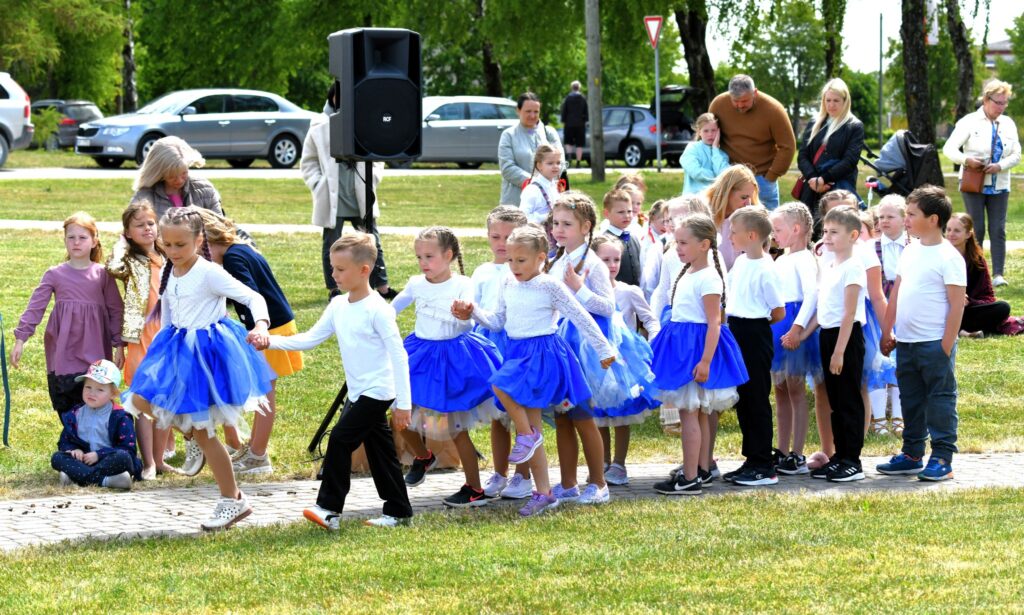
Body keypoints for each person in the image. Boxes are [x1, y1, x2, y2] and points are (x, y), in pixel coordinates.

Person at [124, 207, 275, 531]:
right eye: (167, 244)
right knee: (138, 401)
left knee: (206, 434)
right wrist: (161, 356)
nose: (173, 251)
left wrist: (261, 325)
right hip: (176, 351)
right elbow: (167, 311)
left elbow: (252, 298)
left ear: (198, 240)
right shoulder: (170, 268)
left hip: (206, 357)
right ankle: (192, 435)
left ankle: (232, 500)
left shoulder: (209, 272)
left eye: (181, 244)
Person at [453, 225, 615, 517]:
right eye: (511, 260)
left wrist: (604, 350)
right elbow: (497, 321)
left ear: (541, 258)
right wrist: (473, 311)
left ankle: (527, 436)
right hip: (517, 351)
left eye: (521, 260)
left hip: (543, 353)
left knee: (500, 385)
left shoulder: (549, 286)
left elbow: (580, 316)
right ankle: (544, 492)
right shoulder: (508, 282)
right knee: (533, 425)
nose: (514, 266)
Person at [264, 232, 414, 529]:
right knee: (381, 452)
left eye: (340, 269)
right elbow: (309, 339)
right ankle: (398, 511)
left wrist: (403, 403)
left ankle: (329, 508)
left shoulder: (379, 311)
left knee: (340, 438)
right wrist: (268, 342)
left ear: (364, 270)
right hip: (359, 392)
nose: (334, 275)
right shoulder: (338, 306)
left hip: (378, 391)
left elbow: (400, 357)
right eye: (332, 268)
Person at [547, 192, 658, 497]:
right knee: (563, 413)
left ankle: (599, 482)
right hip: (563, 338)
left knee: (583, 414)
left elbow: (608, 307)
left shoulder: (593, 264)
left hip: (589, 343)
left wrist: (579, 289)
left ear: (586, 227)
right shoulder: (558, 259)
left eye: (567, 224)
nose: (558, 229)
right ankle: (569, 481)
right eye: (556, 223)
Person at [390, 227, 503, 508]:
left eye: (429, 256)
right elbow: (392, 308)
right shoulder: (417, 283)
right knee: (398, 411)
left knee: (455, 427)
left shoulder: (462, 283)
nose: (423, 262)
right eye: (419, 257)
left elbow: (464, 322)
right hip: (420, 354)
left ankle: (474, 488)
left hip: (453, 358)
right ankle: (423, 456)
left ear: (448, 255)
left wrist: (462, 314)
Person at [199, 209, 304, 476]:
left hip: (269, 330)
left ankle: (258, 456)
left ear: (208, 241)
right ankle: (256, 451)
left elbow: (249, 294)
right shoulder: (241, 248)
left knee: (264, 394)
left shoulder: (233, 258)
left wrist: (253, 327)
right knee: (263, 391)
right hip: (277, 323)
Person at [650, 214, 748, 496]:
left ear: (704, 244)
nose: (677, 248)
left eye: (683, 243)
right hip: (681, 347)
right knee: (695, 413)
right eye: (675, 242)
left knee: (690, 413)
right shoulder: (689, 272)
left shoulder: (708, 278)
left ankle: (690, 476)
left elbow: (714, 322)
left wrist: (705, 361)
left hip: (694, 350)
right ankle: (699, 469)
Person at [878, 186, 966, 481]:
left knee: (940, 400)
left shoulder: (949, 257)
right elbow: (897, 294)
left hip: (934, 344)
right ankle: (912, 454)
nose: (906, 219)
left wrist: (946, 344)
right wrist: (887, 331)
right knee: (911, 400)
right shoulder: (910, 249)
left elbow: (956, 305)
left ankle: (942, 458)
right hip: (906, 342)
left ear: (933, 219)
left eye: (912, 214)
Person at [12, 212, 124, 417]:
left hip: (95, 348)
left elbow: (116, 310)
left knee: (96, 397)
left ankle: (96, 444)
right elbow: (35, 307)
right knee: (67, 401)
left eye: (82, 237)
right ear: (64, 240)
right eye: (71, 237)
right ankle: (72, 442)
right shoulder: (55, 274)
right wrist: (21, 339)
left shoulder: (102, 274)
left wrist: (119, 345)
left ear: (94, 241)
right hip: (64, 349)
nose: (76, 242)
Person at [302, 82, 392, 301]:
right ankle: (334, 289)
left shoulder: (365, 121)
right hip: (333, 195)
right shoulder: (319, 125)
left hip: (359, 191)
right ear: (333, 98)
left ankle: (382, 286)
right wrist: (318, 183)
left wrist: (373, 179)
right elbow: (308, 162)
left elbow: (377, 157)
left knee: (373, 240)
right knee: (331, 243)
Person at [106, 201, 176, 479]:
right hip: (140, 337)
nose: (147, 228)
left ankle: (160, 460)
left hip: (167, 334)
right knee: (143, 400)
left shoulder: (166, 253)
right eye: (139, 225)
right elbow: (111, 267)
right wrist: (122, 243)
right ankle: (147, 461)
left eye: (150, 223)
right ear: (128, 232)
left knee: (165, 400)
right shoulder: (130, 260)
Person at [473, 206, 534, 500]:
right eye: (495, 236)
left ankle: (524, 475)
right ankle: (500, 473)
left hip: (518, 342)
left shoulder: (527, 270)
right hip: (490, 342)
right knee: (497, 414)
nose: (501, 243)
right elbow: (475, 308)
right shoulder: (483, 272)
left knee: (519, 409)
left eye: (508, 237)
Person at [721, 206, 785, 486]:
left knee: (757, 397)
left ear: (751, 235)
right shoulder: (742, 262)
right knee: (745, 399)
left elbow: (778, 311)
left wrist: (755, 326)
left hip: (755, 332)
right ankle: (751, 458)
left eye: (733, 233)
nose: (730, 238)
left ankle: (764, 464)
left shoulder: (766, 268)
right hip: (736, 329)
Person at [592, 235, 661, 484]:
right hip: (598, 360)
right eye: (605, 259)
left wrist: (650, 341)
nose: (611, 265)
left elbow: (650, 320)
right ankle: (602, 460)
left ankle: (619, 463)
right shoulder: (589, 294)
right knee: (599, 412)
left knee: (622, 413)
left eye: (616, 259)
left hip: (625, 361)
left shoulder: (629, 291)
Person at [942, 79, 1021, 287]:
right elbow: (949, 149)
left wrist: (1000, 166)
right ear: (986, 99)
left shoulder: (1008, 123)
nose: (1002, 107)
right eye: (998, 102)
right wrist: (967, 160)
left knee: (998, 229)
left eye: (1005, 103)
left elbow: (1017, 154)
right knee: (976, 228)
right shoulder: (969, 121)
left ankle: (998, 275)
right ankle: (974, 272)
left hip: (1000, 184)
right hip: (973, 184)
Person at [812, 206, 868, 482]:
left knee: (848, 400)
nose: (828, 237)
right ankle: (839, 454)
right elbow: (823, 305)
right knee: (835, 399)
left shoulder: (854, 267)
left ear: (853, 235)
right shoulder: (829, 264)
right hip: (827, 334)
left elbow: (849, 312)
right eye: (825, 231)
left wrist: (839, 352)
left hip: (845, 338)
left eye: (835, 232)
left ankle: (852, 460)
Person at [769, 203, 821, 476]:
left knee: (796, 389)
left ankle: (797, 453)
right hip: (779, 324)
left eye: (778, 229)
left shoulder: (804, 259)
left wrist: (799, 328)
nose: (774, 234)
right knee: (780, 390)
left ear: (796, 229)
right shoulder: (783, 258)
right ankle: (782, 447)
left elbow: (812, 295)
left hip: (794, 323)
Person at [709, 75, 796, 210]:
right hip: (730, 176)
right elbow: (709, 133)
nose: (739, 105)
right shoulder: (718, 104)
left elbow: (787, 146)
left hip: (762, 178)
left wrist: (772, 176)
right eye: (735, 101)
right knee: (730, 222)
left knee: (767, 223)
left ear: (755, 92)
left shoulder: (773, 109)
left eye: (744, 101)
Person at [51, 360, 142, 490]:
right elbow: (64, 441)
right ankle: (106, 481)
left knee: (123, 457)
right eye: (88, 387)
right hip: (84, 461)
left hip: (109, 461)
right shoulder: (75, 414)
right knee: (57, 457)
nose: (92, 393)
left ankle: (76, 477)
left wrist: (99, 455)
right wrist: (74, 449)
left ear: (113, 393)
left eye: (100, 389)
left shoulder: (120, 416)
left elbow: (128, 448)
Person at [795, 79, 866, 227]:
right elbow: (802, 155)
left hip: (838, 189)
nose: (831, 105)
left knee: (837, 229)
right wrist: (813, 179)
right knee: (808, 230)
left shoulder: (854, 126)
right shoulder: (815, 122)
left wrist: (824, 179)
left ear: (845, 101)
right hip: (811, 188)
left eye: (836, 100)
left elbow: (850, 160)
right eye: (828, 100)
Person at [870, 195, 909, 435]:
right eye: (881, 217)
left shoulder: (914, 246)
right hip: (880, 307)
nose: (884, 221)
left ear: (905, 219)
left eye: (890, 217)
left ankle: (898, 414)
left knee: (901, 361)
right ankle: (877, 417)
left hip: (906, 305)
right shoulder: (871, 248)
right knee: (878, 359)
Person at [946, 213, 1019, 336]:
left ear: (968, 234)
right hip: (942, 308)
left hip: (968, 310)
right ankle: (966, 331)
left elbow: (988, 298)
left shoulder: (976, 260)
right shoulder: (940, 256)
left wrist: (969, 301)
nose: (951, 234)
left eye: (957, 231)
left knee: (1002, 307)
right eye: (948, 230)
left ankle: (963, 330)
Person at [130, 136, 223, 220]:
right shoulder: (144, 197)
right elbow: (134, 231)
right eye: (171, 176)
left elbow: (221, 228)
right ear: (158, 172)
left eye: (184, 173)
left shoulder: (205, 189)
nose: (179, 180)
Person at [498, 92, 563, 206]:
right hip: (515, 202)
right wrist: (536, 182)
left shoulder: (549, 133)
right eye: (528, 111)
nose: (532, 115)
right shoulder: (508, 135)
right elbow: (507, 168)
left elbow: (560, 163)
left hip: (546, 201)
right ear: (518, 111)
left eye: (536, 112)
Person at [706, 164, 759, 269]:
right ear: (727, 192)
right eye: (744, 197)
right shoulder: (703, 215)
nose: (748, 203)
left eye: (750, 197)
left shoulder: (752, 216)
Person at [681, 113, 730, 196]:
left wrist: (715, 149)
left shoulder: (722, 154)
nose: (710, 134)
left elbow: (725, 174)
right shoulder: (692, 148)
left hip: (714, 199)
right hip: (692, 199)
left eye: (713, 130)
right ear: (699, 132)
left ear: (718, 131)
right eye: (706, 131)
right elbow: (696, 172)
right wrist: (718, 176)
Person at [602, 189, 643, 287]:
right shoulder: (604, 242)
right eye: (621, 212)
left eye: (630, 211)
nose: (627, 216)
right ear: (607, 214)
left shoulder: (633, 238)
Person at [519, 144, 563, 224]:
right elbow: (523, 218)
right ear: (539, 165)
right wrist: (548, 217)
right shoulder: (532, 190)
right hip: (536, 234)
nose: (555, 166)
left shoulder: (553, 187)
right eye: (550, 163)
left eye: (558, 163)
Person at [561, 80, 588, 168]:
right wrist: (585, 120)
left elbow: (564, 111)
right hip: (580, 124)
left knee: (568, 142)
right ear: (579, 87)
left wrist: (564, 120)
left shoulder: (567, 98)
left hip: (569, 124)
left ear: (571, 88)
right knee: (579, 144)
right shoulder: (583, 98)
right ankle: (578, 163)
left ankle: (569, 158)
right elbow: (586, 111)